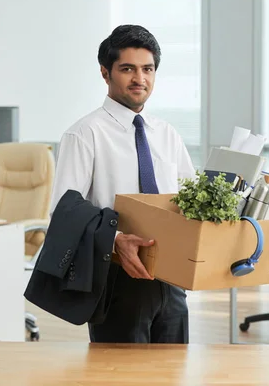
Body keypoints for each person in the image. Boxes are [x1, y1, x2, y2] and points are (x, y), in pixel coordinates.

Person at [49, 24, 196, 343]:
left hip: (171, 276)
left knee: (173, 371)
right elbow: (63, 211)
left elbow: (189, 197)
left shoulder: (166, 133)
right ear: (105, 73)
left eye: (148, 69)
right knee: (120, 375)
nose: (139, 79)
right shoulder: (84, 134)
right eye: (127, 69)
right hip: (118, 275)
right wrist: (115, 240)